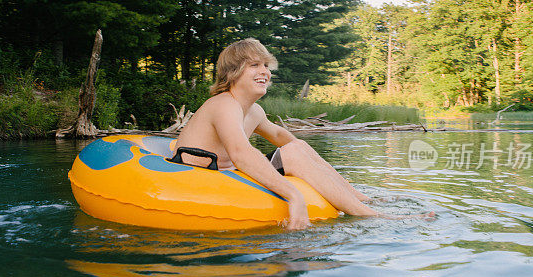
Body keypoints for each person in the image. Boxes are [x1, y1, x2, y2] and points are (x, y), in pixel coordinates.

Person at [175, 38, 433, 230]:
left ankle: (360, 198)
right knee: (293, 153)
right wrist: (293, 194)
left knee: (295, 147)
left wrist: (305, 154)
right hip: (196, 178)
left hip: (224, 173)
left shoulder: (253, 111)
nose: (265, 71)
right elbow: (240, 153)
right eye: (254, 65)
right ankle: (368, 215)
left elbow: (284, 139)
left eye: (266, 65)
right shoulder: (224, 104)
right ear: (232, 73)